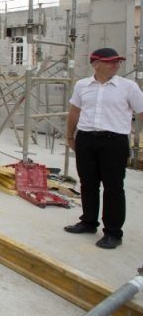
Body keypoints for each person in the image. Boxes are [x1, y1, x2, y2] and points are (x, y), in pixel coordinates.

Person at [64, 47, 143, 249]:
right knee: (88, 183)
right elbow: (75, 111)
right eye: (111, 62)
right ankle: (89, 222)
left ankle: (113, 233)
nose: (116, 65)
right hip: (86, 139)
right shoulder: (82, 86)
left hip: (114, 142)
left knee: (113, 188)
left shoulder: (128, 87)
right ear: (96, 64)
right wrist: (70, 135)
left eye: (118, 62)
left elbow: (141, 112)